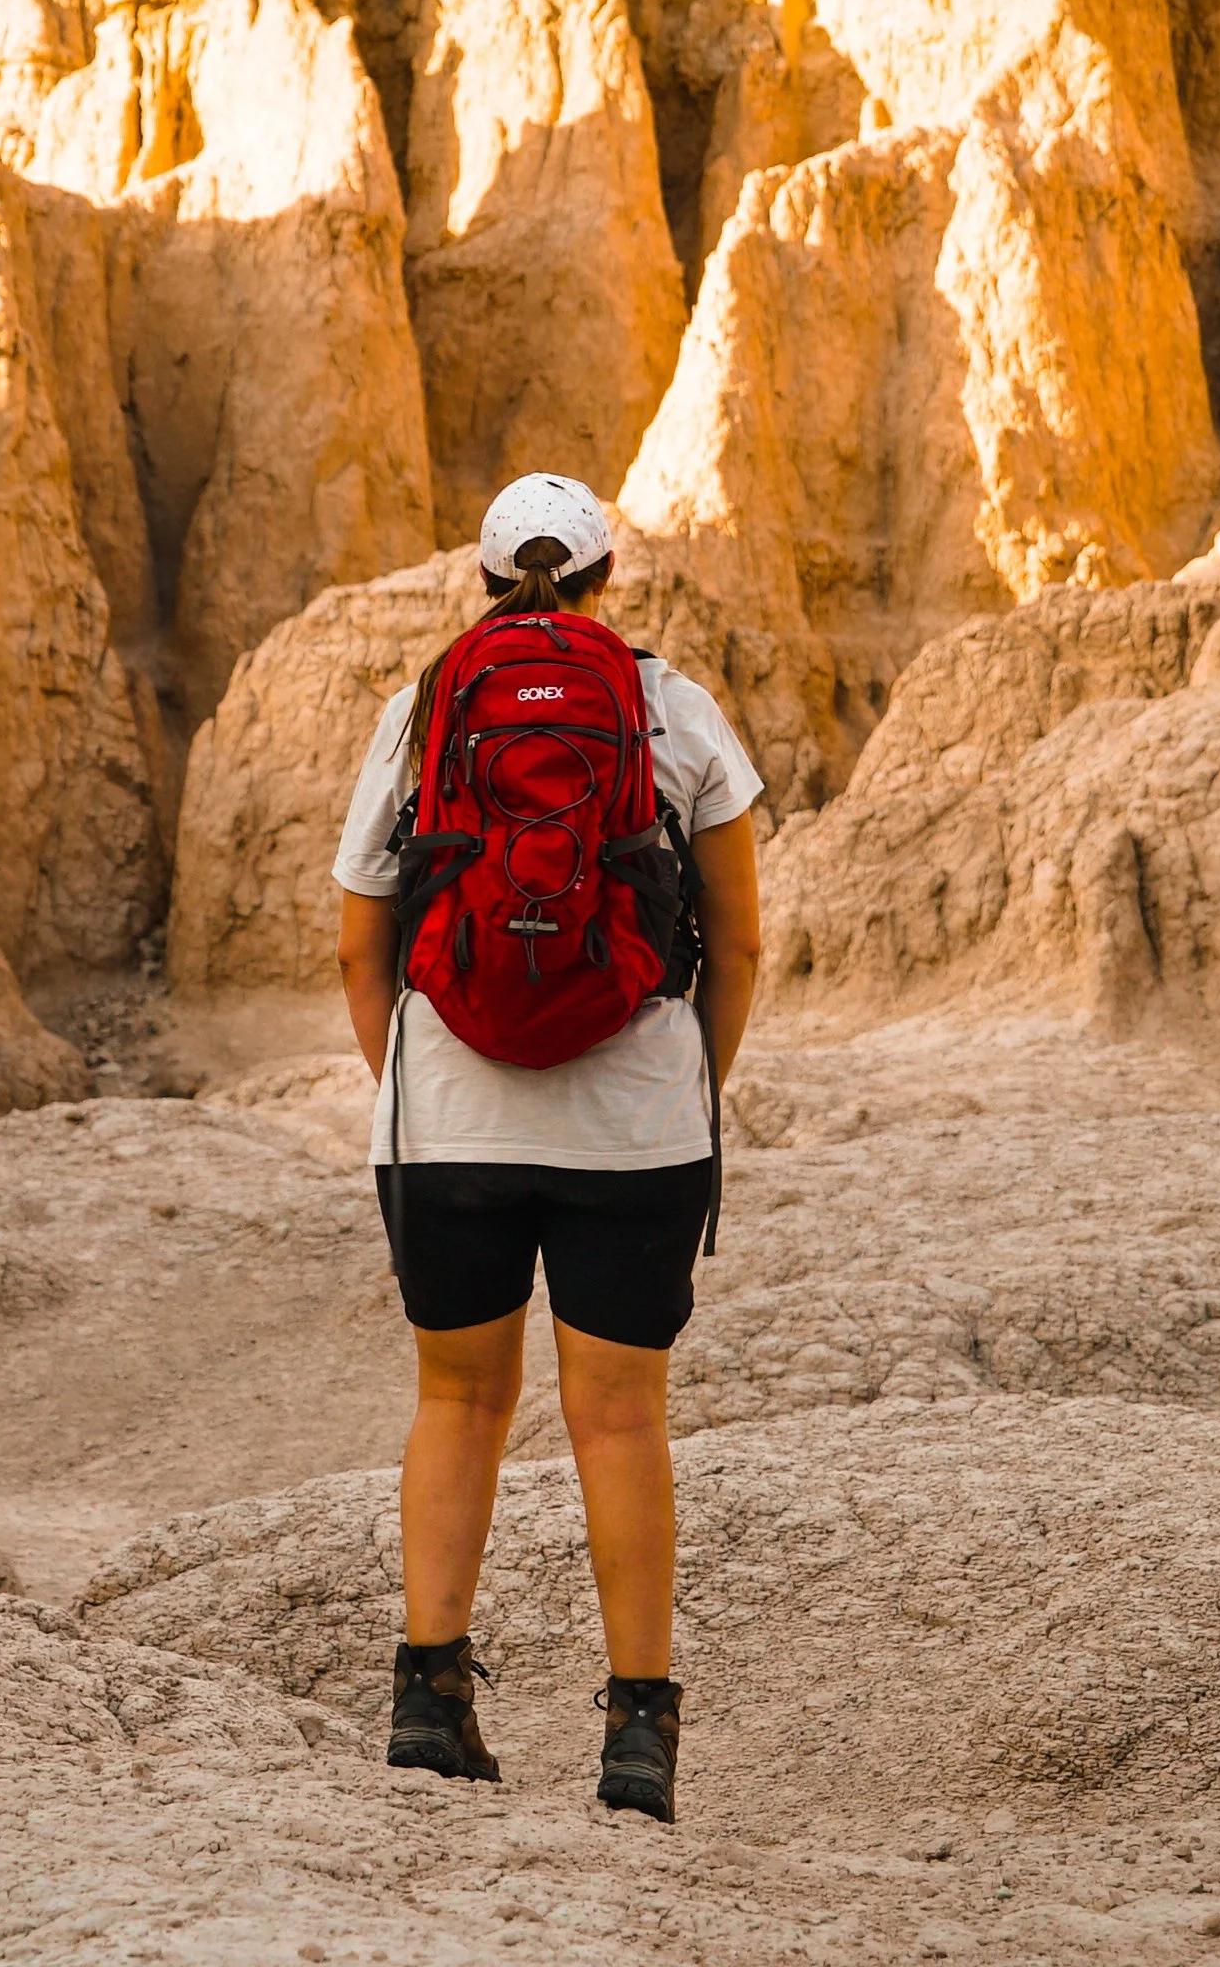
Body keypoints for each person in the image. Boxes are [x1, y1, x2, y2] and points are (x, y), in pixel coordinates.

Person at [332, 472, 763, 1821]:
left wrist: (418, 1087)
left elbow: (361, 939)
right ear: (603, 581)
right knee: (621, 1420)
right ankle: (637, 1738)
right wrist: (684, 1091)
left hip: (448, 1126)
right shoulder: (669, 707)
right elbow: (739, 941)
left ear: (484, 577)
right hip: (632, 1125)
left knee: (456, 1403)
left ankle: (427, 1703)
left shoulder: (424, 711)